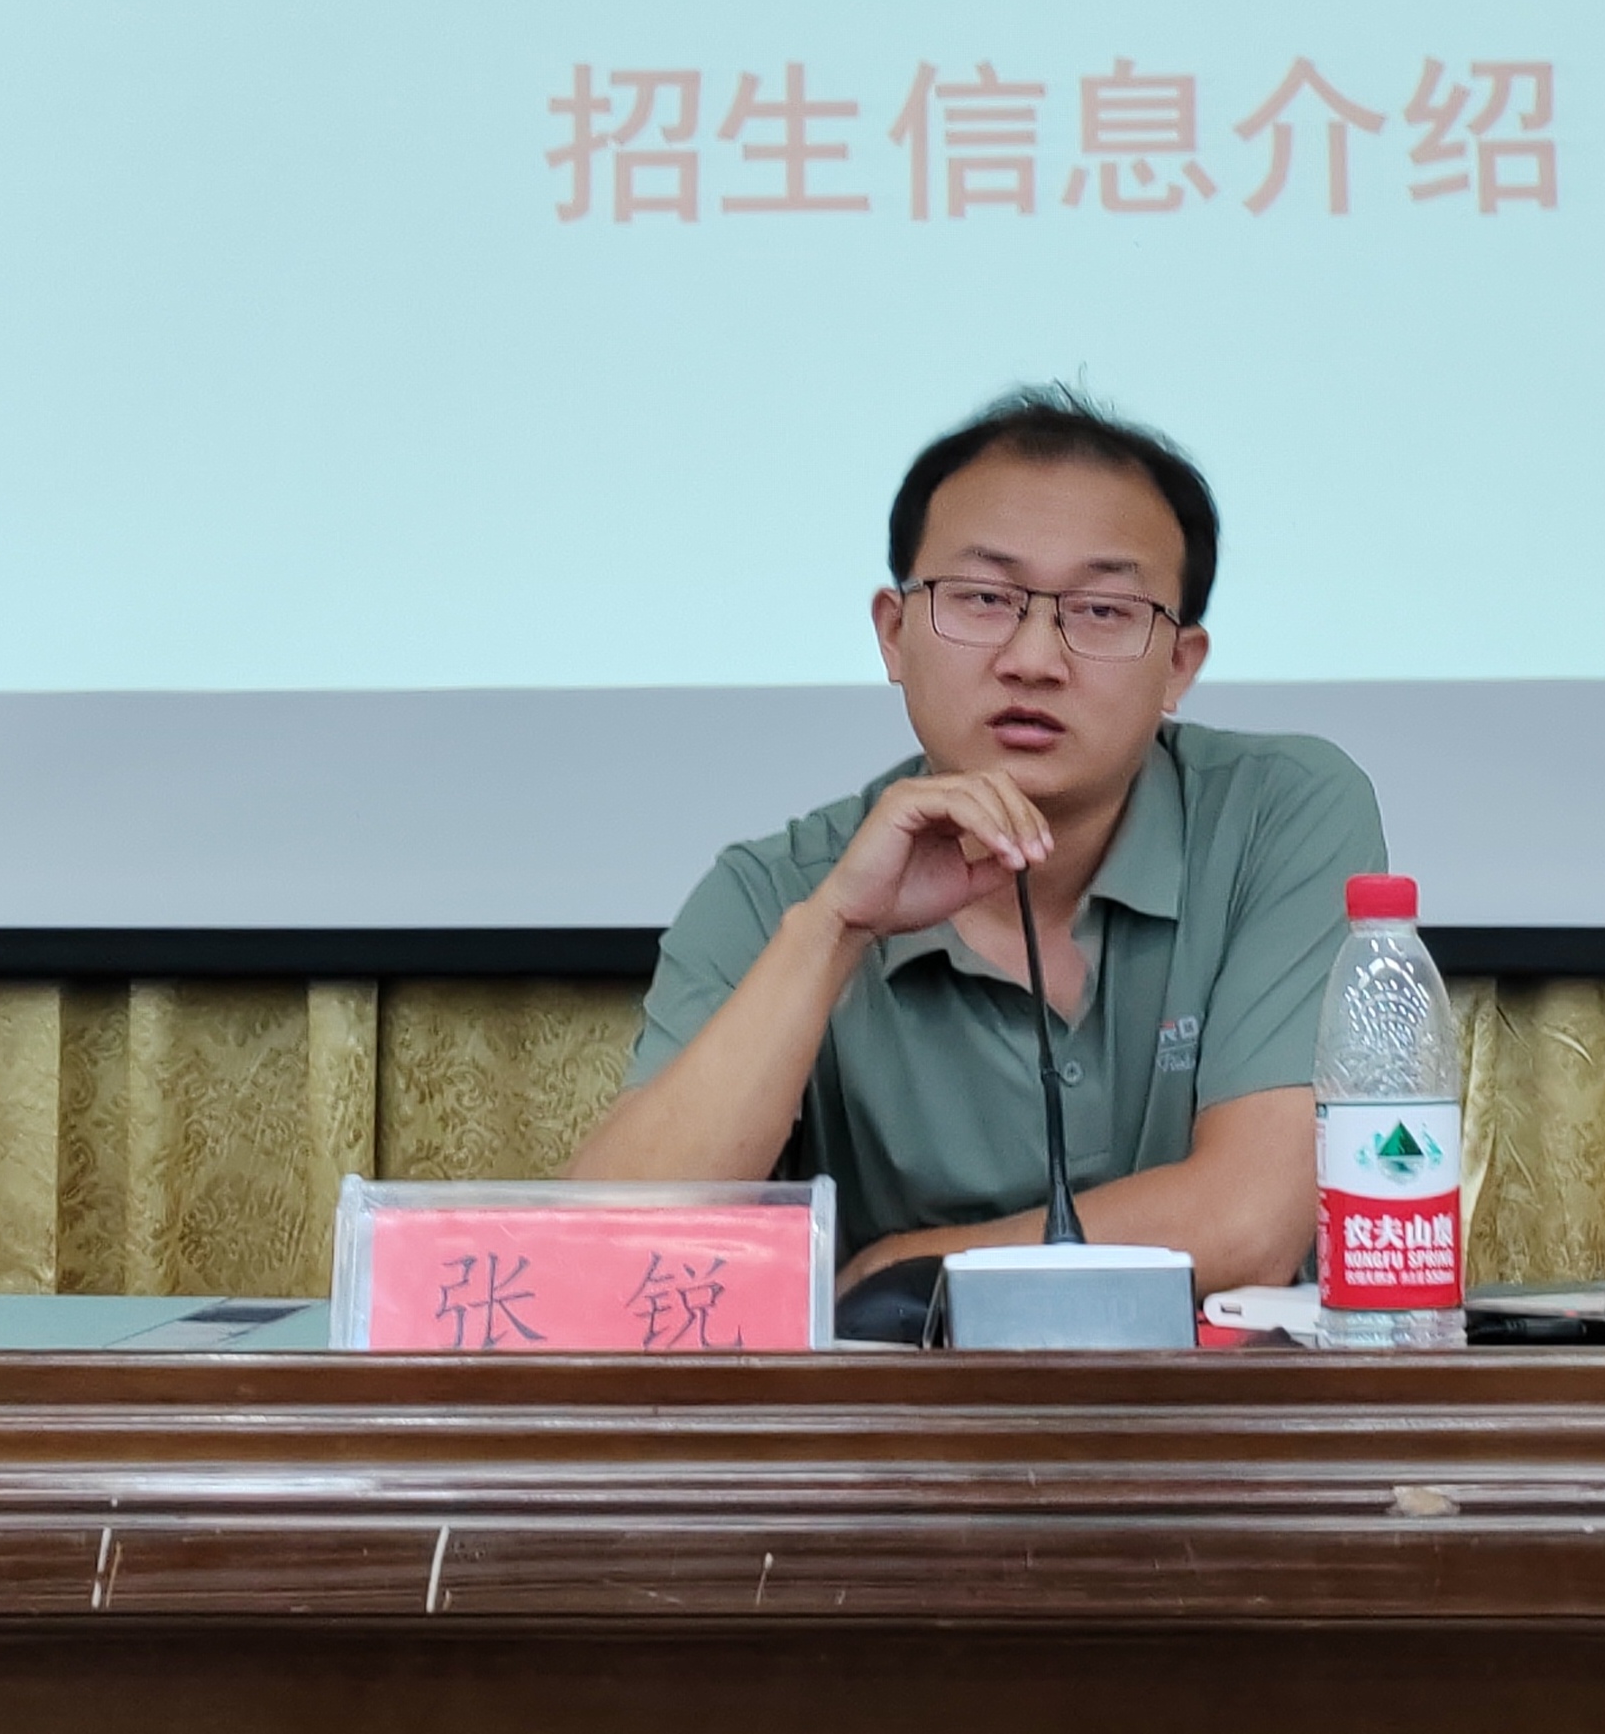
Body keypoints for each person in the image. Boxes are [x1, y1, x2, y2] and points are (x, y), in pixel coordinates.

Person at [567, 386, 1386, 1293]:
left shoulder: (1280, 811)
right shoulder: (776, 893)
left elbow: (1248, 1221)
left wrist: (903, 1269)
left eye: (1101, 610)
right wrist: (833, 931)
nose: (1032, 659)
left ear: (1178, 666)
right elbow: (607, 1253)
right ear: (893, 634)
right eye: (984, 598)